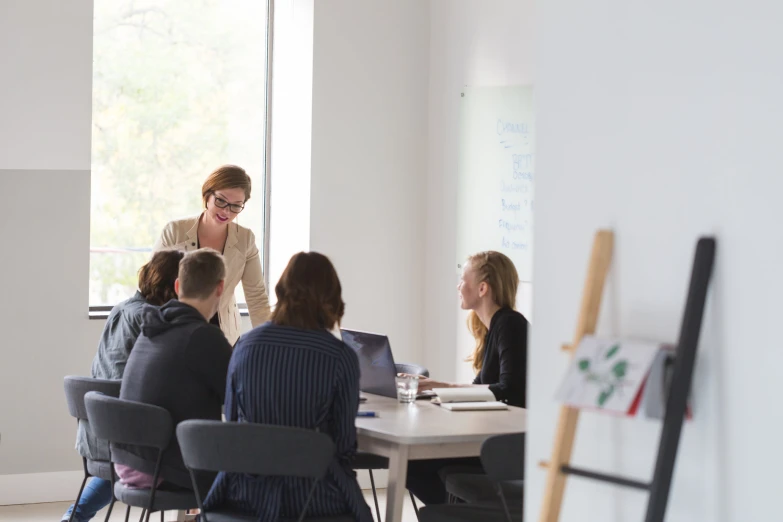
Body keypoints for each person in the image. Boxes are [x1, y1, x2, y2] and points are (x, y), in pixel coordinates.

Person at [204, 252, 373, 522]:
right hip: (314, 495)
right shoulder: (340, 357)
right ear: (331, 297)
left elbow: (233, 426)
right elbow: (343, 446)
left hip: (246, 492)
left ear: (281, 290)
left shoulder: (245, 345)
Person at [62, 250, 184, 522]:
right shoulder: (152, 318)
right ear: (175, 285)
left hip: (96, 433)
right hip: (126, 438)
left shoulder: (122, 308)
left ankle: (73, 517)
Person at [405, 250, 529, 505]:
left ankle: (462, 513)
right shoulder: (496, 327)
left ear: (483, 288)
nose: (458, 286)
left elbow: (509, 390)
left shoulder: (510, 324)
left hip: (506, 446)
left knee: (413, 463)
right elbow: (481, 388)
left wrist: (443, 387)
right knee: (413, 463)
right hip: (494, 437)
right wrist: (434, 389)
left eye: (463, 279)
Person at [112, 248, 233, 492]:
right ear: (220, 289)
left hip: (129, 460)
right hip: (164, 469)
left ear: (178, 286)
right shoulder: (203, 336)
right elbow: (239, 395)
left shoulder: (152, 327)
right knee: (255, 466)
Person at [154, 164, 271, 345]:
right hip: (177, 331)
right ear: (207, 195)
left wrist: (270, 343)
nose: (226, 211)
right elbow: (154, 287)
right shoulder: (174, 231)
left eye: (236, 206)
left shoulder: (245, 239)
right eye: (221, 201)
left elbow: (256, 297)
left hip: (224, 335)